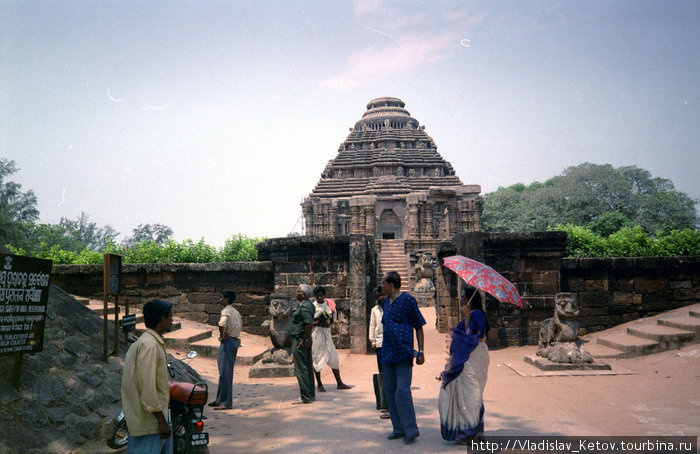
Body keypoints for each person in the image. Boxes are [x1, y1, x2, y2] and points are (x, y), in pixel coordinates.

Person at [121, 299, 174, 454]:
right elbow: (147, 387)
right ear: (161, 318)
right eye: (170, 317)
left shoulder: (149, 342)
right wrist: (161, 421)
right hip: (150, 425)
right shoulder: (149, 345)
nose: (172, 321)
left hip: (151, 423)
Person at [438, 289, 490, 445]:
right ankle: (475, 432)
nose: (460, 300)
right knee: (471, 396)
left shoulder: (477, 315)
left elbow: (478, 337)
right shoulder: (470, 316)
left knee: (471, 396)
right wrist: (466, 318)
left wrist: (468, 317)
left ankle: (471, 434)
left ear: (470, 300)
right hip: (468, 359)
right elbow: (462, 334)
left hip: (473, 359)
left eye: (463, 297)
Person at [380, 271, 426, 445]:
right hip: (387, 353)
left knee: (403, 392)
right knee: (390, 392)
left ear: (391, 285)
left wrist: (421, 351)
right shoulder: (386, 302)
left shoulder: (407, 300)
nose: (381, 286)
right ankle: (398, 428)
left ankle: (411, 430)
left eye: (383, 283)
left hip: (403, 353)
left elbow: (419, 326)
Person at [311, 285, 351, 391]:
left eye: (321, 295)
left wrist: (329, 324)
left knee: (334, 357)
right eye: (317, 296)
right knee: (317, 357)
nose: (319, 298)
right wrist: (319, 322)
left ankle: (339, 383)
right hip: (316, 334)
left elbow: (333, 318)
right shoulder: (312, 307)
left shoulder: (329, 305)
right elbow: (309, 323)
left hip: (327, 334)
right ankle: (319, 384)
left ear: (324, 295)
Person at [208, 290, 242, 411]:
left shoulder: (226, 311)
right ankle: (220, 399)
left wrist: (222, 334)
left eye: (221, 298)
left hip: (227, 342)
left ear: (227, 299)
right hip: (234, 341)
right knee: (224, 372)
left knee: (225, 372)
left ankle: (226, 402)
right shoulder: (235, 312)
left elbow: (222, 324)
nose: (220, 300)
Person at [290, 284, 316, 404]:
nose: (296, 293)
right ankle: (310, 394)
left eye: (298, 291)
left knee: (301, 368)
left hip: (300, 338)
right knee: (307, 366)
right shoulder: (308, 305)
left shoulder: (304, 306)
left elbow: (309, 324)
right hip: (304, 337)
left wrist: (304, 340)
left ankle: (305, 396)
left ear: (304, 294)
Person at [369, 285, 390, 419]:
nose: (380, 298)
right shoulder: (374, 310)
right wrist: (372, 340)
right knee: (382, 372)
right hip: (380, 343)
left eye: (381, 295)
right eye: (377, 296)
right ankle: (384, 401)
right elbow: (372, 326)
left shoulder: (391, 307)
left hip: (390, 342)